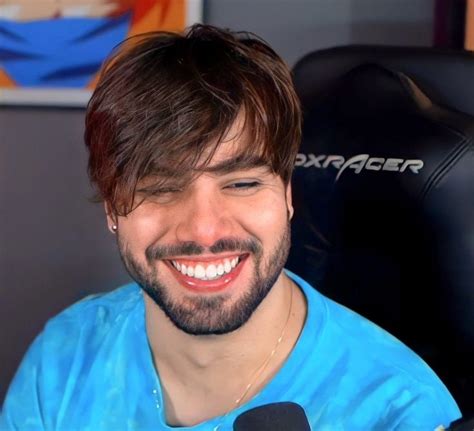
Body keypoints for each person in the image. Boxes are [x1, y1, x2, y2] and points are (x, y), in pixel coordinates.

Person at [0, 24, 462, 430]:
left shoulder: (399, 411)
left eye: (241, 182)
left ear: (286, 195)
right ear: (111, 208)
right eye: (160, 188)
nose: (203, 230)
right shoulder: (64, 358)